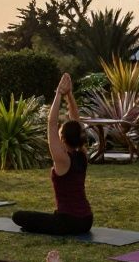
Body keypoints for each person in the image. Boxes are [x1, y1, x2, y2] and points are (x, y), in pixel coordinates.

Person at [11, 73, 93, 235]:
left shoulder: (63, 159)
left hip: (69, 223)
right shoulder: (82, 154)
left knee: (18, 217)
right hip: (87, 220)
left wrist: (58, 93)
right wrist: (69, 94)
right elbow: (76, 121)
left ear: (62, 138)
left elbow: (51, 123)